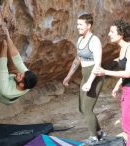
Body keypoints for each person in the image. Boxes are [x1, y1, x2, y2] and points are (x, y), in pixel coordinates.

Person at [62, 13, 105, 145]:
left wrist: (90, 82)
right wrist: (68, 76)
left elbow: (97, 64)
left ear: (89, 25)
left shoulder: (95, 41)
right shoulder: (80, 40)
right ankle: (100, 132)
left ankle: (93, 138)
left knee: (87, 109)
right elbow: (78, 59)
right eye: (77, 24)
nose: (78, 27)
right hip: (85, 75)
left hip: (95, 77)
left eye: (80, 24)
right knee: (82, 108)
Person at [94, 19, 130, 146]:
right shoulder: (122, 49)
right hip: (126, 90)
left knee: (128, 128)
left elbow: (128, 73)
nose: (109, 34)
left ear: (121, 34)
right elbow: (125, 72)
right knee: (126, 125)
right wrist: (117, 85)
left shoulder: (129, 48)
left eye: (112, 31)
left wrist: (105, 72)